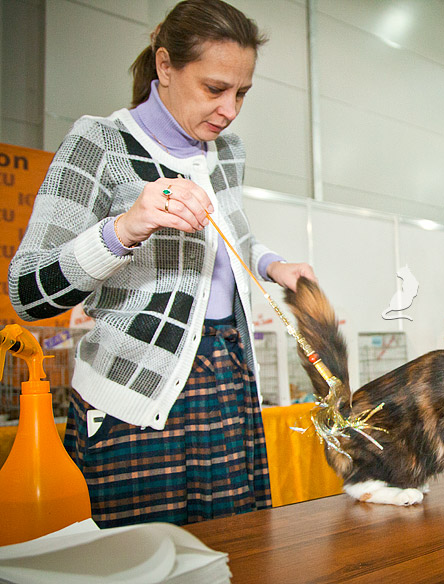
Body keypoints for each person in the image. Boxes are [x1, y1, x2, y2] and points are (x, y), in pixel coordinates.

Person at [8, 0, 315, 527]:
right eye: (215, 89)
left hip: (229, 376)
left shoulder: (228, 149)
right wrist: (124, 227)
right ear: (165, 66)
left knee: (236, 551)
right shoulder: (99, 143)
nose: (230, 110)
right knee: (140, 557)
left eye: (241, 93)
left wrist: (272, 265)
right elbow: (28, 293)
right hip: (137, 393)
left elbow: (231, 235)